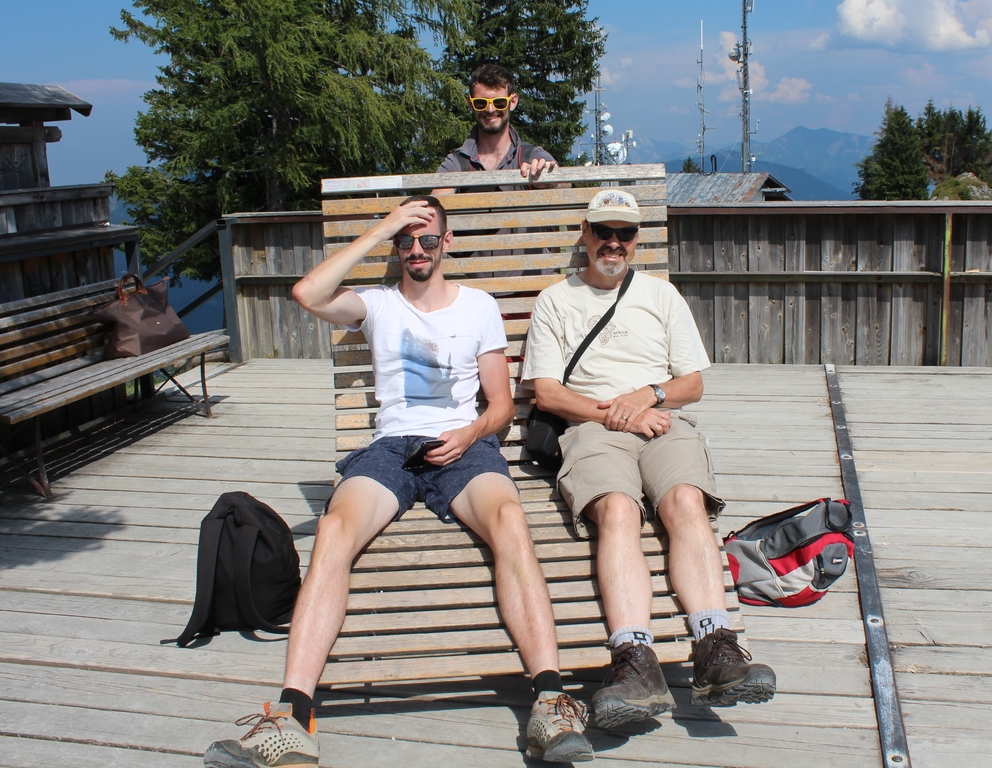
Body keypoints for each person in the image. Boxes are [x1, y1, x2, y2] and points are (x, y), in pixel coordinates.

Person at [203, 196, 593, 768]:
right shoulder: (377, 303)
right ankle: (292, 719)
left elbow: (502, 406)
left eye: (428, 239)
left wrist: (469, 432)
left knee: (510, 521)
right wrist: (382, 226)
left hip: (464, 446)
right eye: (405, 241)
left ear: (447, 243)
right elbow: (306, 294)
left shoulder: (479, 307)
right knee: (333, 530)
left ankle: (550, 702)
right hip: (391, 449)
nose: (417, 249)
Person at [520, 189, 777, 731]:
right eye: (603, 231)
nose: (613, 243)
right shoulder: (555, 300)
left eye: (625, 233)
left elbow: (692, 384)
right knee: (617, 510)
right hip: (592, 426)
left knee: (685, 501)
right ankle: (635, 659)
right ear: (585, 234)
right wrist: (622, 414)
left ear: (637, 239)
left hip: (661, 421)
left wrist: (650, 397)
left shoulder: (662, 295)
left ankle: (716, 645)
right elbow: (547, 392)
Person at [433, 63, 557, 195]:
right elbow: (438, 199)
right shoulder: (457, 163)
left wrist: (549, 177)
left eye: (499, 103)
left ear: (512, 102)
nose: (490, 110)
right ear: (470, 104)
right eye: (481, 103)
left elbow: (564, 183)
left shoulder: (531, 155)